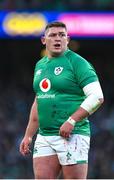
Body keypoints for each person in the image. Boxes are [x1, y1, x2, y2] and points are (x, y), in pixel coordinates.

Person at [19, 21, 104, 179]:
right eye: (52, 35)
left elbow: (97, 96)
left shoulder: (78, 63)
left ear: (68, 39)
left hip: (73, 135)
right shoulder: (40, 65)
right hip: (45, 136)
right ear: (44, 40)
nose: (57, 39)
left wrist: (71, 121)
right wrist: (29, 135)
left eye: (61, 35)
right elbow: (39, 100)